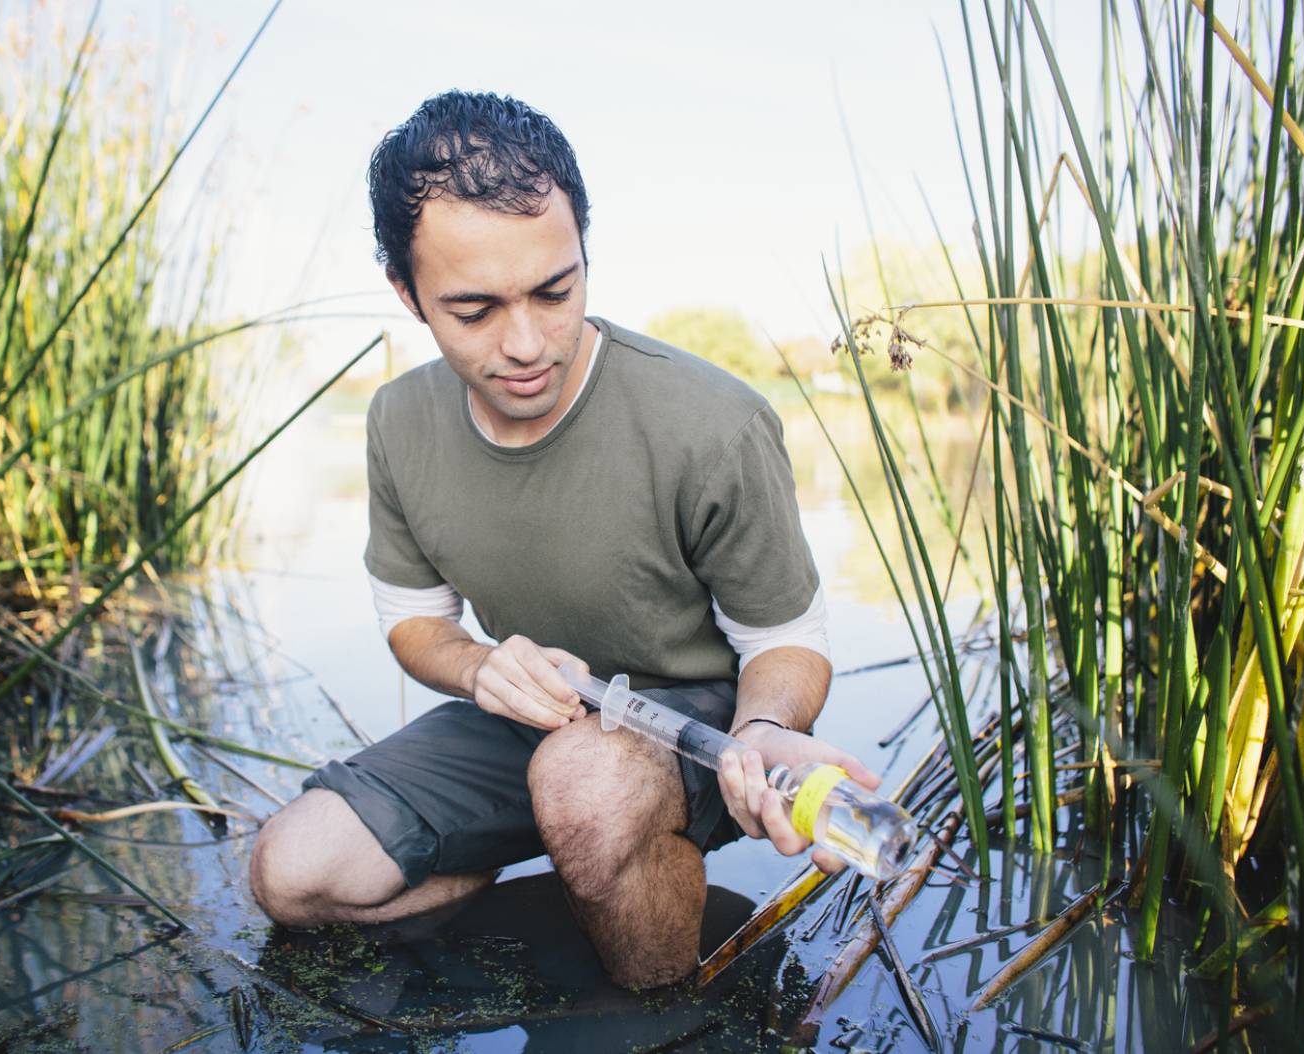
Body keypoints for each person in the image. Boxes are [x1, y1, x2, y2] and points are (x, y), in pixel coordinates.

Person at [249, 90, 880, 990]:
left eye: (557, 290)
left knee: (586, 791)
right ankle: (580, 885)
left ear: (584, 247)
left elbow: (785, 642)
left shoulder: (713, 423)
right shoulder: (397, 421)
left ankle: (667, 1009)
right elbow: (415, 621)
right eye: (473, 310)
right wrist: (477, 670)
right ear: (408, 294)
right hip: (532, 714)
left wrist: (765, 729)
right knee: (294, 873)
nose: (528, 343)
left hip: (702, 723)